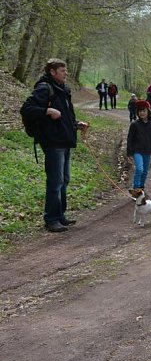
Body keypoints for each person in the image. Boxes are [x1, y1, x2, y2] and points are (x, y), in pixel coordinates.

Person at [20, 59, 89, 233]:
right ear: (52, 71)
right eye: (62, 70)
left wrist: (76, 124)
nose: (66, 73)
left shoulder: (62, 90)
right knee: (55, 181)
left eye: (65, 70)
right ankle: (51, 219)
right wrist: (47, 111)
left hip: (64, 141)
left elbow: (64, 117)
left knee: (64, 180)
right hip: (52, 142)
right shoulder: (44, 88)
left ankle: (60, 215)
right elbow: (26, 109)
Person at [127, 100, 151, 189]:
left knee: (145, 171)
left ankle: (141, 187)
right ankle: (136, 189)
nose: (142, 113)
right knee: (139, 169)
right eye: (140, 111)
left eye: (144, 111)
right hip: (137, 151)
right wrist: (129, 153)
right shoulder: (134, 124)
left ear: (148, 111)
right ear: (137, 112)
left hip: (147, 151)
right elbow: (129, 139)